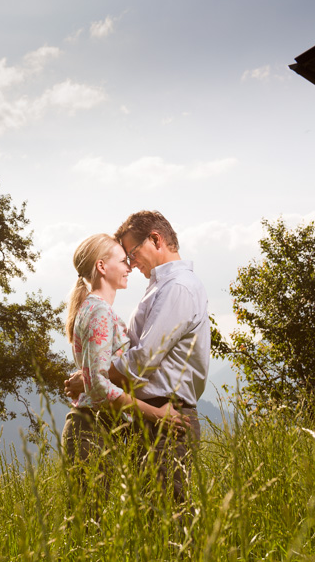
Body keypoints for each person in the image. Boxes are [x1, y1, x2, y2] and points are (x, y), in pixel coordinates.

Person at [65, 211, 210, 502]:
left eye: (131, 253)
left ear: (155, 239)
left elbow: (144, 357)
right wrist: (94, 377)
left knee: (169, 519)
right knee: (150, 522)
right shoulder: (155, 289)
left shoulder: (177, 287)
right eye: (125, 258)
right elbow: (125, 354)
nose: (131, 263)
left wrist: (95, 378)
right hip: (149, 415)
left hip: (168, 415)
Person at [60, 233, 181, 465]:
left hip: (99, 432)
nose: (130, 267)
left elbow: (95, 377)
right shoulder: (99, 312)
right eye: (124, 261)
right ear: (102, 266)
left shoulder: (93, 308)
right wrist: (156, 415)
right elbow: (98, 385)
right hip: (93, 433)